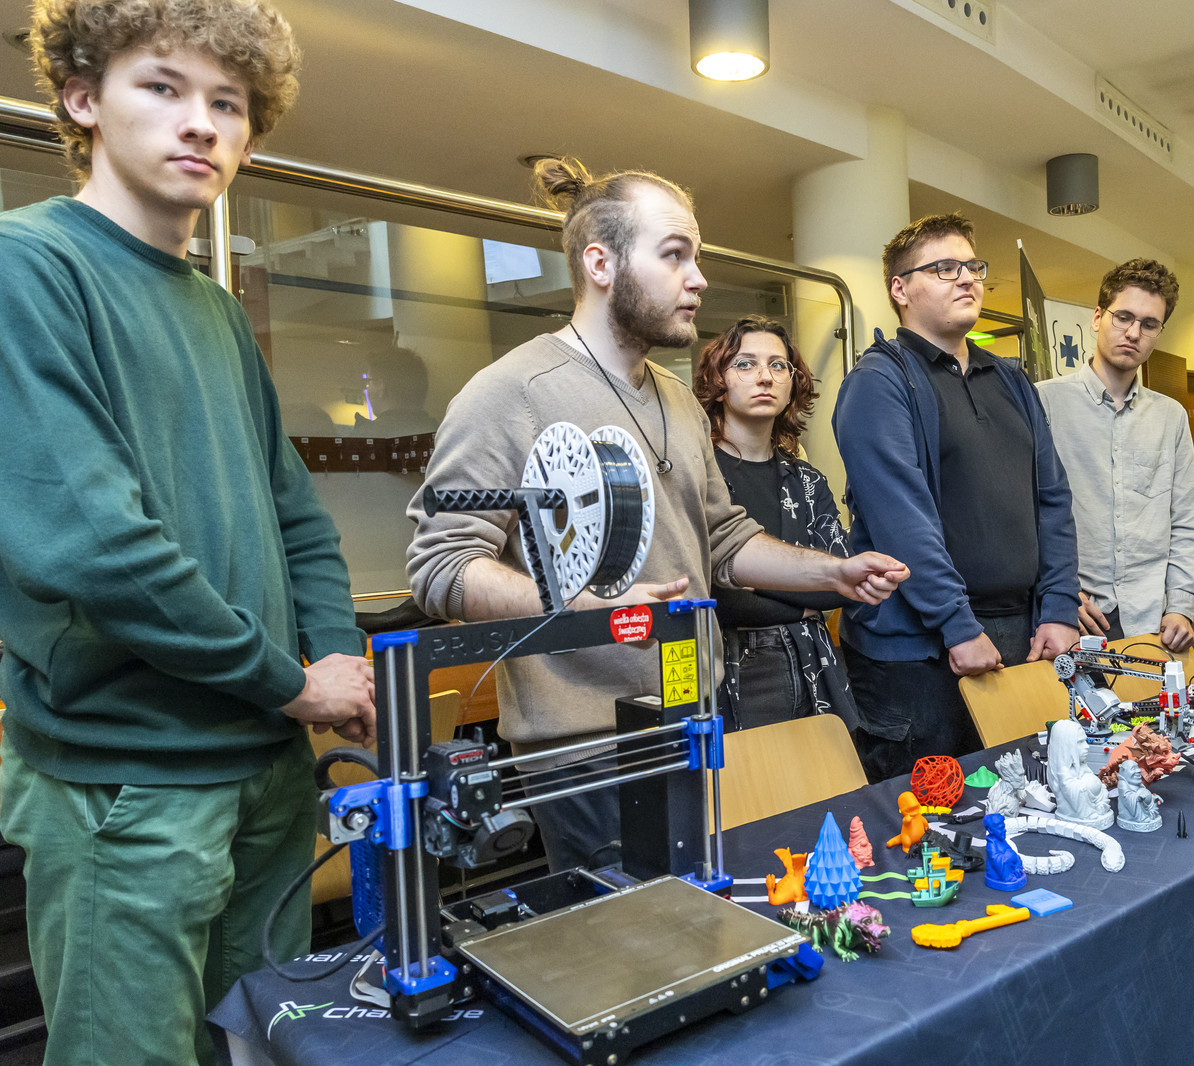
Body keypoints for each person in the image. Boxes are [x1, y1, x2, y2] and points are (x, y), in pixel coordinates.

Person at [0, 3, 376, 1064]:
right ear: (83, 98)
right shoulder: (29, 267)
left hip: (267, 768)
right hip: (130, 780)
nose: (203, 122)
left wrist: (336, 658)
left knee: (263, 1049)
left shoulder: (214, 311)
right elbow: (94, 546)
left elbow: (295, 515)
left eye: (230, 103)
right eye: (162, 87)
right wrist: (292, 682)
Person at [408, 158, 907, 871]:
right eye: (674, 255)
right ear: (600, 263)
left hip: (692, 717)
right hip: (583, 748)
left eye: (695, 257)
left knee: (716, 911)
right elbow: (443, 569)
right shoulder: (511, 392)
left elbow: (724, 539)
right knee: (633, 931)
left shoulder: (677, 400)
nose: (697, 278)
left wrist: (834, 572)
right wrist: (589, 608)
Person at [833, 212, 1080, 782]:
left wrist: (1060, 606)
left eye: (972, 266)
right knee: (925, 820)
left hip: (1020, 638)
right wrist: (958, 625)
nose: (967, 277)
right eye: (944, 268)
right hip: (921, 653)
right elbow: (902, 520)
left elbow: (1053, 498)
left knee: (1025, 805)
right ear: (900, 289)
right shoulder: (879, 381)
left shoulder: (1011, 380)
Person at [692, 315, 859, 731]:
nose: (765, 377)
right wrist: (802, 591)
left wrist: (747, 579)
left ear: (792, 384)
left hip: (814, 666)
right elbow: (709, 593)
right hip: (728, 671)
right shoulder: (697, 477)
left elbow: (838, 585)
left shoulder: (808, 481)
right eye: (745, 364)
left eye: (778, 365)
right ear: (718, 381)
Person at [1036, 259, 1194, 652]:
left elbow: (1189, 524)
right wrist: (1058, 592)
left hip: (1151, 622)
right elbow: (1026, 517)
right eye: (1123, 317)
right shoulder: (1044, 402)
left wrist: (1180, 606)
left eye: (1149, 324)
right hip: (1070, 618)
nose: (1133, 333)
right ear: (1098, 318)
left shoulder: (1170, 417)